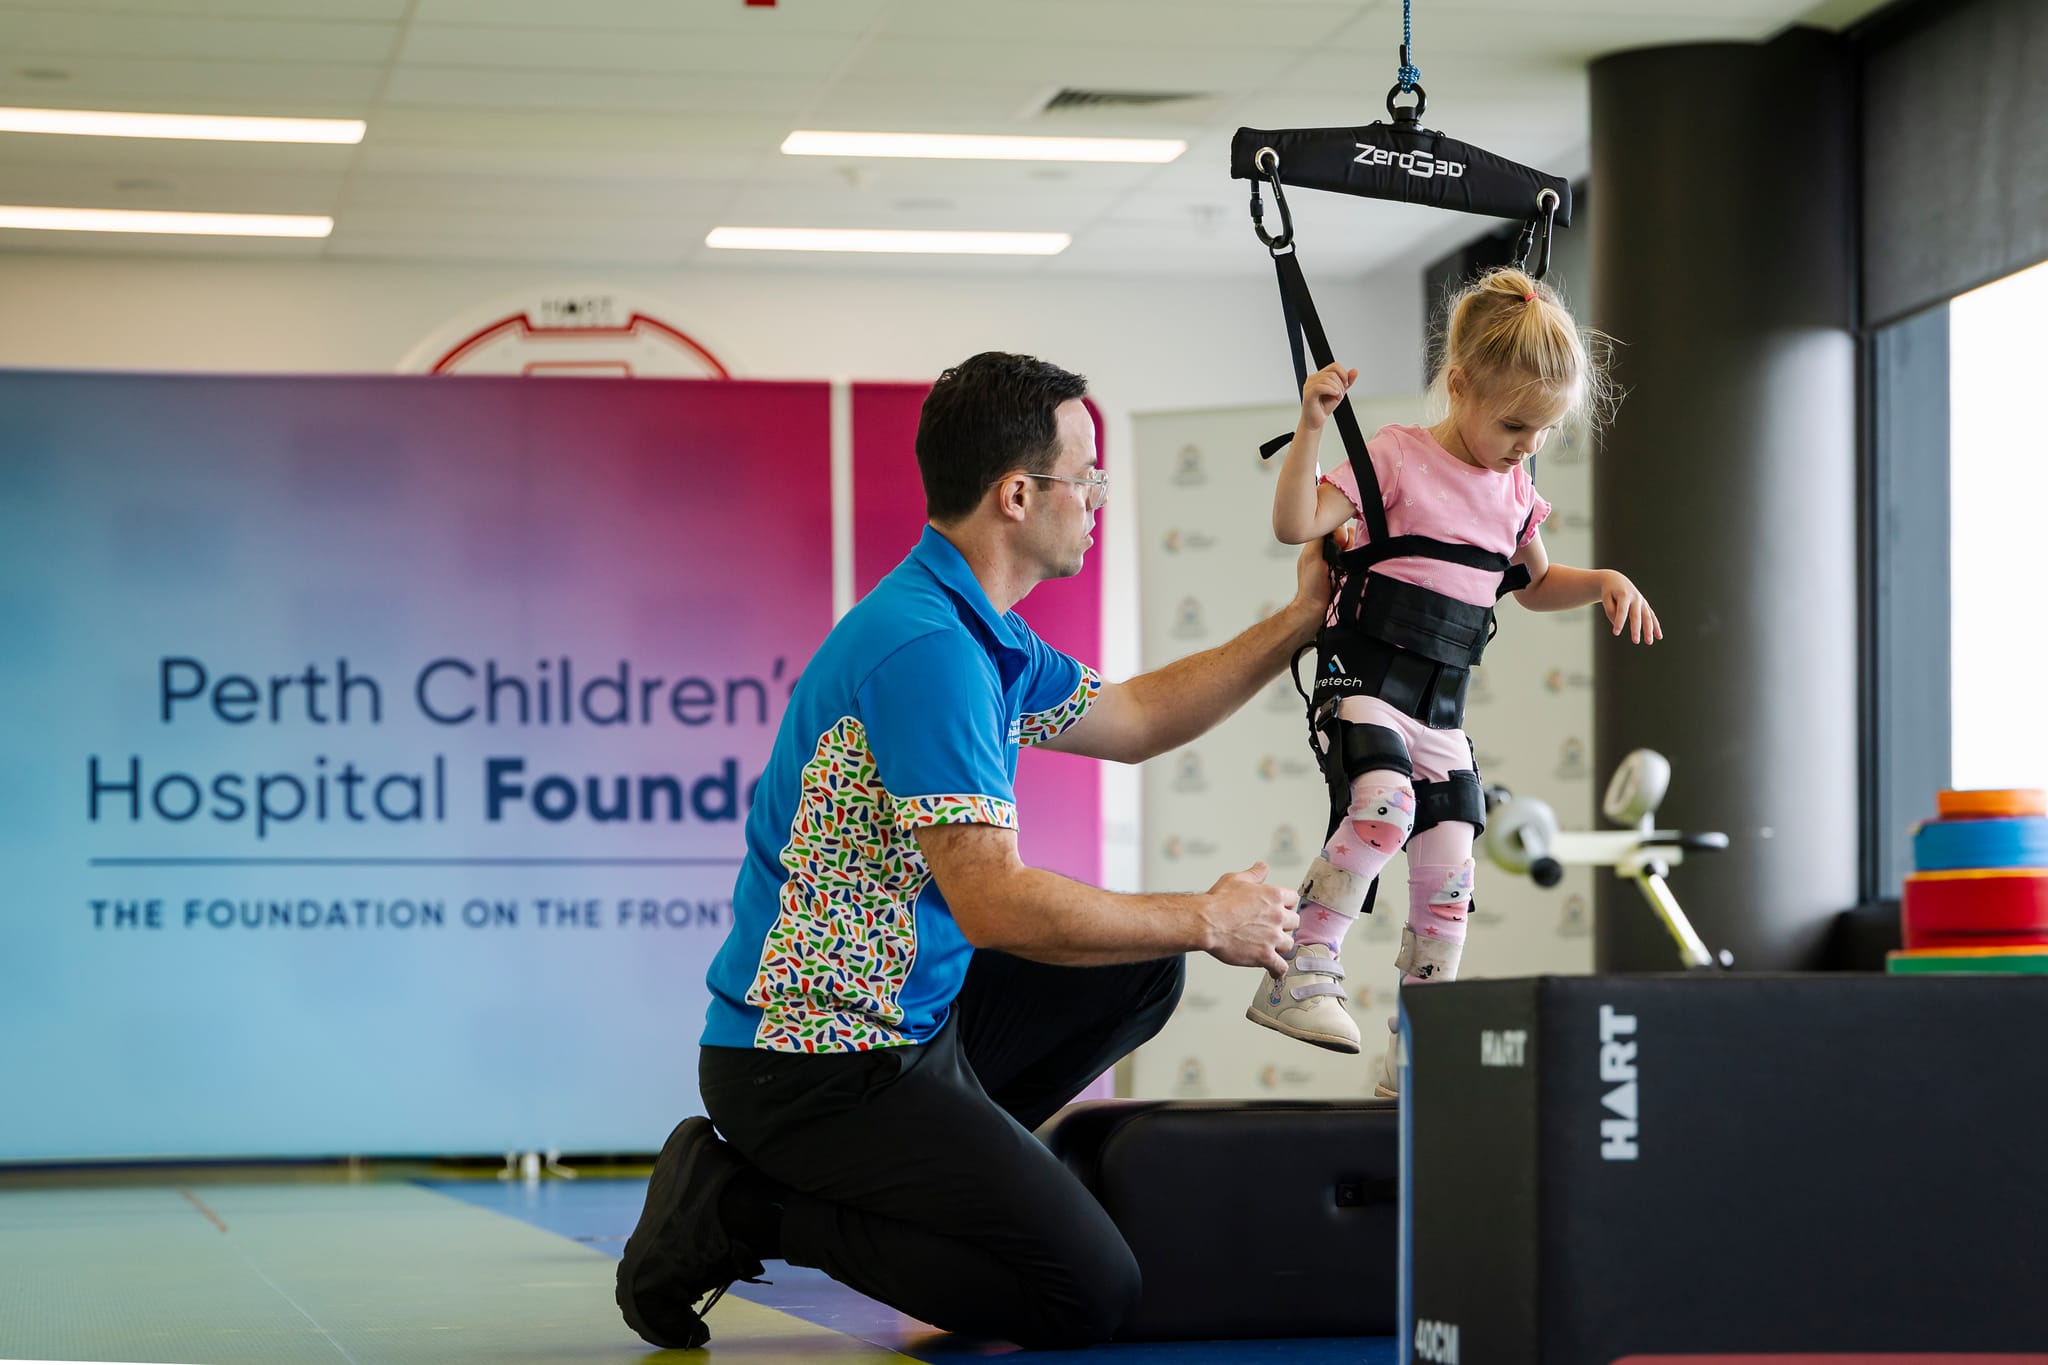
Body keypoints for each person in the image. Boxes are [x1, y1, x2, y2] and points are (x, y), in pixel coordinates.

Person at [616, 351, 1332, 1351]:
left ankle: (931, 1184)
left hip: (910, 1024)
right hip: (812, 1068)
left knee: (1135, 973)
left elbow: (1133, 716)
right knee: (1085, 1295)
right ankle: (741, 1206)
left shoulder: (977, 628)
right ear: (1016, 494)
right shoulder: (931, 650)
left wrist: (1300, 620)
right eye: (1085, 476)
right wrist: (1205, 917)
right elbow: (993, 904)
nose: (1096, 498)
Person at [1244, 267, 1662, 1096]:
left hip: (1439, 707)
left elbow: (1535, 584)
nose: (1528, 444)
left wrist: (1604, 581)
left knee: (1452, 866)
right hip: (1365, 676)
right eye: (1513, 424)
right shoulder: (1396, 458)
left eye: (1545, 430)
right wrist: (1311, 427)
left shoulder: (1514, 492)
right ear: (1461, 385)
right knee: (1385, 808)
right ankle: (1301, 965)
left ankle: (1419, 1042)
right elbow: (1295, 523)